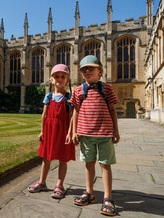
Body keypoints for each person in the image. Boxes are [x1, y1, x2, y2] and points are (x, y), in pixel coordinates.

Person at [70, 55, 120, 216]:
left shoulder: (107, 89)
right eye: (84, 69)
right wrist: (73, 131)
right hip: (85, 134)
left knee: (105, 165)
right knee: (89, 164)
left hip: (105, 133)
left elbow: (112, 110)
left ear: (100, 71)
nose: (87, 71)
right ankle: (89, 192)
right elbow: (75, 113)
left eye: (91, 68)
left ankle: (107, 197)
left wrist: (116, 131)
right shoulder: (78, 91)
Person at [27, 64, 75, 199]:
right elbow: (44, 115)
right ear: (52, 80)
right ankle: (42, 182)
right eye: (56, 76)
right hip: (49, 130)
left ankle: (60, 184)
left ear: (67, 80)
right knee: (46, 157)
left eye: (62, 76)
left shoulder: (69, 97)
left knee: (63, 158)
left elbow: (71, 116)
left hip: (63, 131)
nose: (59, 79)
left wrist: (70, 132)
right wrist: (42, 131)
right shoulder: (48, 96)